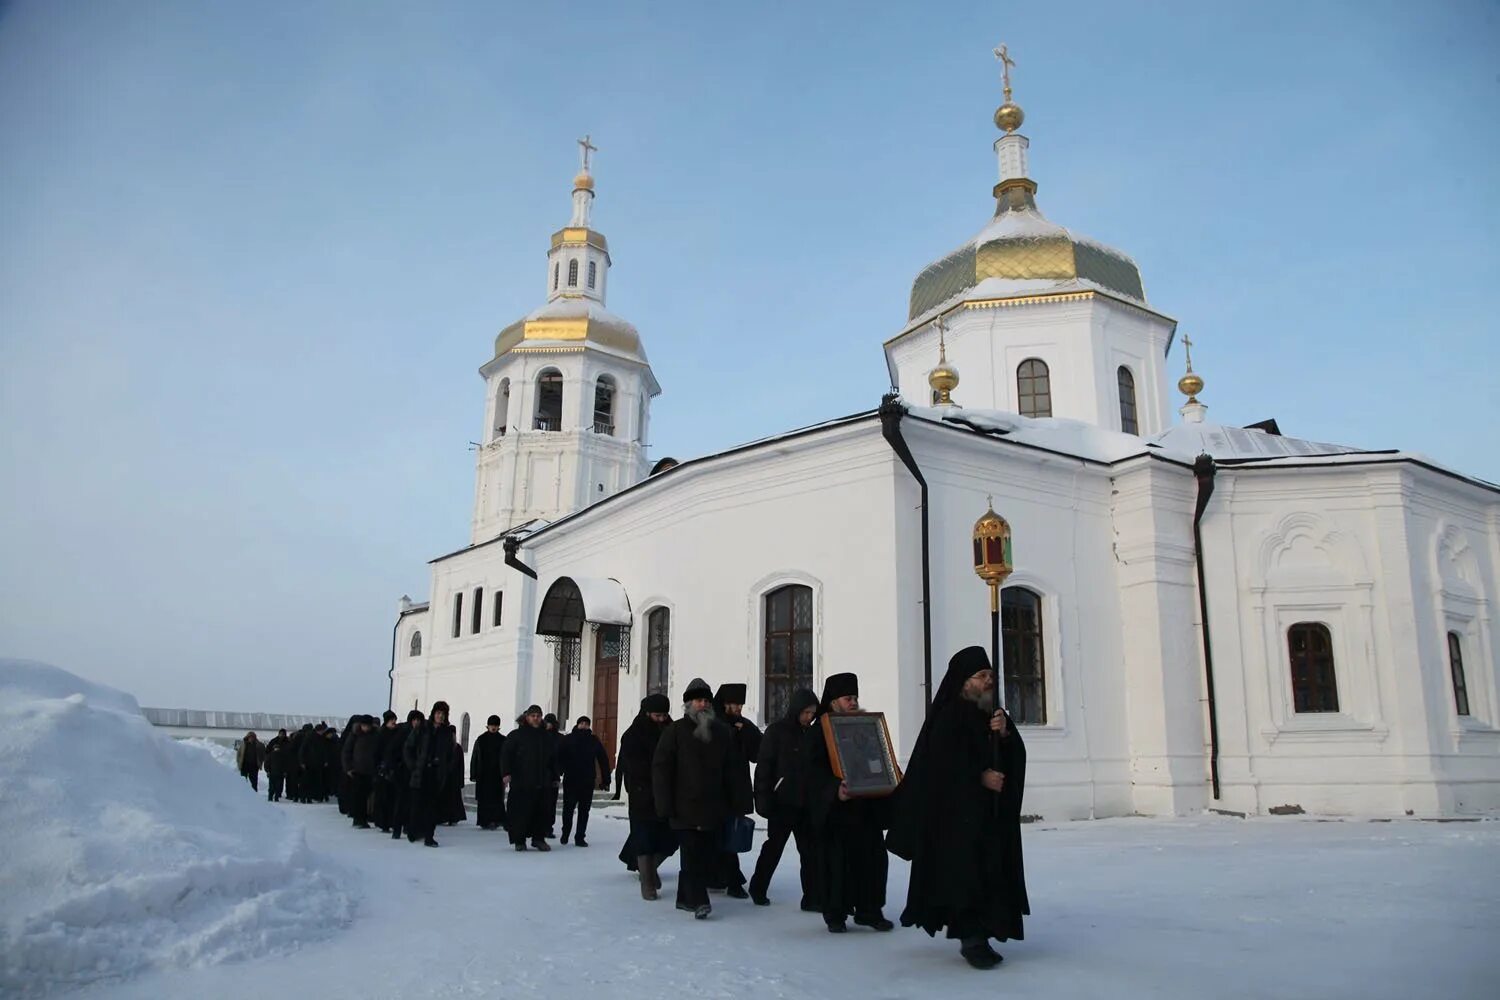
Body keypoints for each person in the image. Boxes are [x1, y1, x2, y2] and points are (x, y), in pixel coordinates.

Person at [887, 646, 1029, 970]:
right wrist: (980, 776)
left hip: (988, 817)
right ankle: (972, 940)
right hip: (956, 819)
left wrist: (1005, 735)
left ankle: (985, 932)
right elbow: (940, 767)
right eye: (982, 676)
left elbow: (1015, 754)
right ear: (965, 682)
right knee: (967, 877)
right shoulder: (950, 715)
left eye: (991, 676)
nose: (988, 682)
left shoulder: (993, 714)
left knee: (990, 873)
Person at [652, 677, 752, 920]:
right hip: (683, 806)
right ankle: (699, 901)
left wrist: (738, 803)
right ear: (688, 704)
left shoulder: (722, 732)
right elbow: (661, 768)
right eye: (698, 700)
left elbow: (733, 770)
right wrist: (664, 805)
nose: (703, 704)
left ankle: (684, 898)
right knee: (692, 853)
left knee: (698, 856)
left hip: (713, 807)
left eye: (706, 700)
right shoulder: (674, 731)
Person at [805, 672, 894, 934]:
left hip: (865, 808)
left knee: (873, 860)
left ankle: (870, 910)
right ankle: (835, 913)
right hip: (836, 812)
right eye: (848, 698)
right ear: (833, 702)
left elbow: (877, 757)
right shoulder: (818, 733)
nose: (853, 703)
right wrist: (835, 790)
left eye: (855, 698)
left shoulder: (865, 727)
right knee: (836, 863)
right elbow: (812, 773)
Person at [748, 687, 820, 909]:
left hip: (805, 803)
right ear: (796, 710)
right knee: (774, 848)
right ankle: (758, 887)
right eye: (806, 712)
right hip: (782, 803)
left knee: (809, 852)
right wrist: (763, 799)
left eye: (812, 713)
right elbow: (764, 768)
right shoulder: (777, 732)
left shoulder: (812, 733)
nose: (809, 717)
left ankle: (812, 897)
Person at [617, 694, 677, 900]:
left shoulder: (672, 731)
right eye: (657, 715)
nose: (661, 719)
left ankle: (649, 871)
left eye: (664, 715)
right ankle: (648, 881)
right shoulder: (633, 735)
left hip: (668, 793)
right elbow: (632, 765)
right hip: (643, 793)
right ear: (647, 713)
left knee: (670, 837)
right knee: (644, 837)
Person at [709, 683, 761, 898]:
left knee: (731, 836)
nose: (738, 708)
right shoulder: (711, 723)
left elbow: (757, 753)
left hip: (736, 789)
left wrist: (745, 733)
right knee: (714, 837)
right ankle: (717, 877)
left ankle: (732, 881)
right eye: (734, 704)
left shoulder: (744, 725)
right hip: (714, 789)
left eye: (740, 704)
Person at [501, 705, 557, 852]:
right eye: (533, 716)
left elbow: (552, 758)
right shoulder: (516, 735)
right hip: (522, 780)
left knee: (541, 810)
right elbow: (506, 754)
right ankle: (519, 840)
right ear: (527, 717)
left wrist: (555, 775)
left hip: (542, 780)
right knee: (520, 811)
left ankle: (538, 839)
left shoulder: (546, 736)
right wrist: (506, 773)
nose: (536, 718)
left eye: (538, 716)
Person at [403, 702, 453, 847]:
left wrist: (446, 767)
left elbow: (450, 754)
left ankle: (429, 836)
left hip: (436, 773)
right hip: (421, 771)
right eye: (438, 713)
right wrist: (413, 765)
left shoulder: (446, 732)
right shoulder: (422, 728)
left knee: (432, 807)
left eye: (443, 714)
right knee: (417, 803)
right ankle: (413, 831)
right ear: (433, 714)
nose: (440, 716)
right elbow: (408, 747)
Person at [557, 715, 610, 846]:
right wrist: (558, 772)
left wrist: (606, 779)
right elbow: (559, 756)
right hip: (571, 779)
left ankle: (580, 836)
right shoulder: (568, 739)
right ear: (577, 724)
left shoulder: (593, 740)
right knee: (568, 809)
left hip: (587, 780)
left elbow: (603, 759)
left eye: (586, 724)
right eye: (582, 723)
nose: (584, 726)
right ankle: (565, 833)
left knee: (584, 810)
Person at [386, 710, 422, 840]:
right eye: (414, 720)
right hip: (402, 772)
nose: (416, 722)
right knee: (401, 802)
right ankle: (397, 828)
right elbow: (393, 751)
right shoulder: (402, 733)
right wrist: (396, 766)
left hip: (414, 774)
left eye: (418, 720)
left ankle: (408, 826)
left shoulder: (420, 733)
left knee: (412, 802)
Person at [469, 715, 508, 830]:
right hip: (483, 774)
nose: (493, 728)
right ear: (488, 726)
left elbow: (506, 758)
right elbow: (475, 757)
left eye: (495, 725)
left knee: (496, 798)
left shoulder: (503, 740)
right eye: (492, 725)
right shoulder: (481, 739)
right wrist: (473, 773)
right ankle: (484, 821)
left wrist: (505, 773)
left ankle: (496, 820)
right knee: (484, 799)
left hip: (497, 774)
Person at [345, 715, 380, 829]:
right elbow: (346, 752)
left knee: (367, 795)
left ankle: (364, 817)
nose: (365, 728)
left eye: (367, 726)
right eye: (364, 725)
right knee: (358, 796)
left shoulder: (376, 735)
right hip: (357, 770)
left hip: (371, 770)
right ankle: (358, 819)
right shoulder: (355, 734)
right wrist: (348, 768)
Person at [372, 711, 400, 831]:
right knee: (383, 798)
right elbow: (376, 753)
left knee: (393, 798)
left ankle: (392, 822)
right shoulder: (381, 734)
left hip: (394, 769)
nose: (393, 722)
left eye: (394, 719)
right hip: (383, 770)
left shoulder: (397, 733)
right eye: (391, 720)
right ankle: (383, 823)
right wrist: (379, 767)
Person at [541, 713, 562, 839]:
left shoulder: (559, 738)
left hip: (553, 774)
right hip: (541, 774)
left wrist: (560, 771)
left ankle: (549, 827)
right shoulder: (540, 736)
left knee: (551, 803)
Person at [442, 733, 467, 826]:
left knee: (454, 798)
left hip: (454, 777)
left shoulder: (458, 748)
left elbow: (461, 765)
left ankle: (454, 817)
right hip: (446, 777)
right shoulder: (445, 747)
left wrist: (461, 780)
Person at [264, 728, 290, 802]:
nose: (282, 735)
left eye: (283, 734)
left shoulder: (287, 742)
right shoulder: (273, 741)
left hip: (280, 771)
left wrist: (285, 771)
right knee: (271, 785)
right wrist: (267, 770)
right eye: (280, 733)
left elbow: (285, 763)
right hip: (272, 771)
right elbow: (267, 761)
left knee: (279, 785)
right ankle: (270, 796)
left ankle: (277, 795)